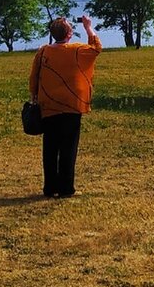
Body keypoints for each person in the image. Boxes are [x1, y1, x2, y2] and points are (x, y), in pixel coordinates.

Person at [28, 15, 101, 198]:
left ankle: (50, 187)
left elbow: (33, 78)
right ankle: (66, 188)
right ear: (69, 33)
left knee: (50, 148)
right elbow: (96, 47)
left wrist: (34, 95)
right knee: (68, 148)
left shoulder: (43, 51)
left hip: (49, 105)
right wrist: (88, 27)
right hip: (71, 105)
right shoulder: (76, 50)